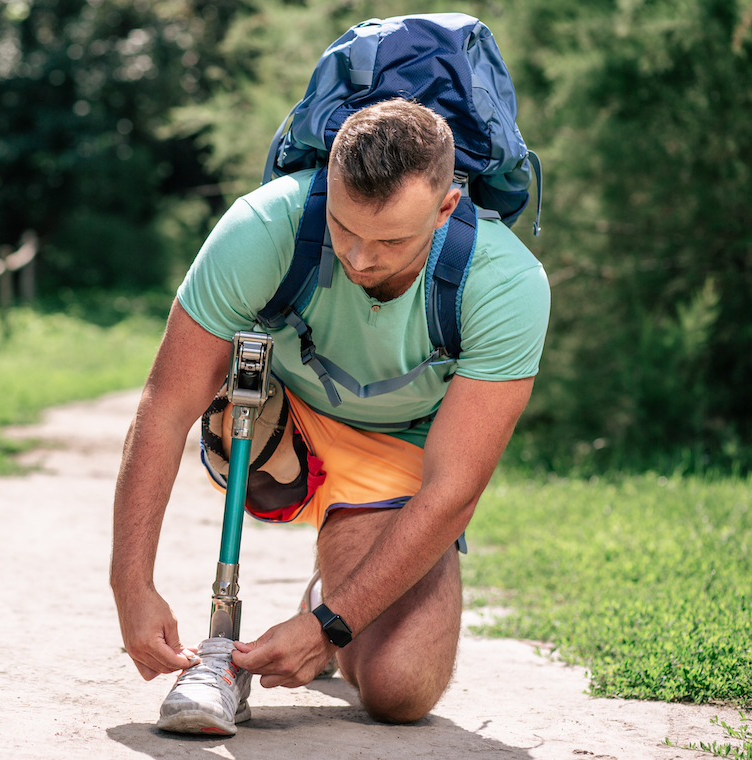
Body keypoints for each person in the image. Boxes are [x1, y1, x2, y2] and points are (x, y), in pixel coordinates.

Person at [110, 98, 550, 734]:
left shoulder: (505, 282)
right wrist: (130, 584)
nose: (361, 258)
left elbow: (452, 490)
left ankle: (321, 593)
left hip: (403, 449)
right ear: (326, 192)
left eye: (393, 240)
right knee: (228, 389)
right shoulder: (266, 226)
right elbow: (166, 403)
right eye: (345, 229)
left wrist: (328, 626)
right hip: (283, 423)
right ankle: (222, 647)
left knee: (401, 689)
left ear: (447, 206)